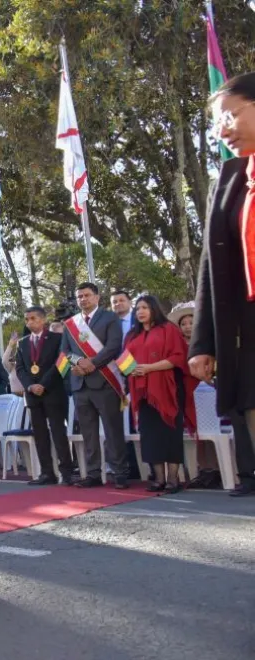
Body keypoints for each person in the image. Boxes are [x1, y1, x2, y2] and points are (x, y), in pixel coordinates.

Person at [190, 71, 255, 468]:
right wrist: (202, 343)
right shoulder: (229, 182)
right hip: (248, 333)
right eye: (218, 124)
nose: (223, 130)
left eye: (230, 116)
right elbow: (210, 270)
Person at [125, 295, 198, 493]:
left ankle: (173, 479)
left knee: (169, 433)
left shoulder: (169, 329)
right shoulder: (132, 335)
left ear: (154, 309)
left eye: (145, 308)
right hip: (143, 392)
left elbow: (178, 357)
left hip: (168, 389)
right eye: (138, 308)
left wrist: (149, 368)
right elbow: (125, 360)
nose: (140, 312)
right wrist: (130, 369)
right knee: (150, 435)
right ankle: (158, 478)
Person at [60, 282, 129, 489]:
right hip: (80, 384)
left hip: (105, 382)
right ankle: (92, 474)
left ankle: (119, 472)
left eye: (87, 295)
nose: (83, 299)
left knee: (112, 430)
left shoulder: (110, 318)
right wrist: (78, 363)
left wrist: (92, 363)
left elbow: (114, 346)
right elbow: (65, 352)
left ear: (97, 297)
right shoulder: (71, 323)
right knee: (88, 432)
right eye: (79, 296)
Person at [15, 306, 74, 485]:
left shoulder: (57, 338)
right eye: (27, 319)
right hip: (33, 395)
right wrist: (31, 386)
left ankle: (67, 473)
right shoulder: (23, 342)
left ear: (42, 320)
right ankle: (47, 473)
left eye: (33, 318)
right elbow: (20, 368)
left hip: (53, 392)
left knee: (58, 433)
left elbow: (60, 363)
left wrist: (44, 384)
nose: (29, 322)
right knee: (40, 435)